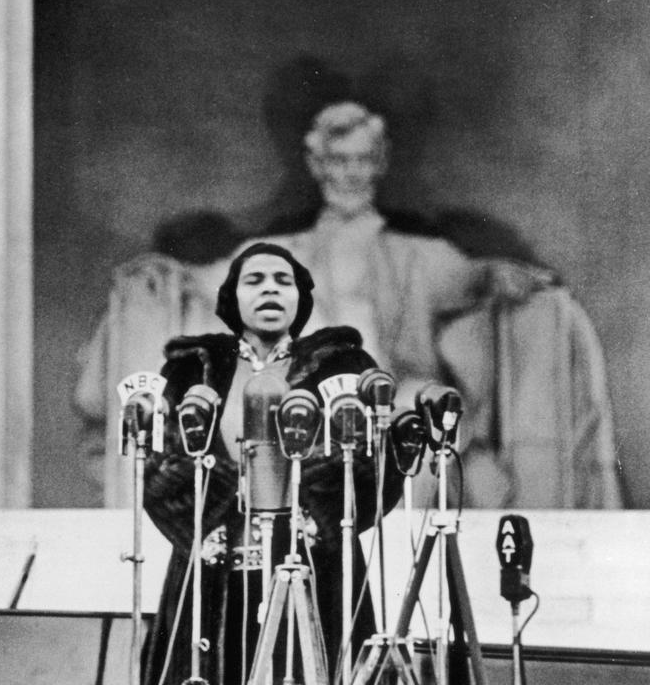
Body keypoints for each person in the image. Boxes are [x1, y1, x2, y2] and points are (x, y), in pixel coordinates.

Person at [75, 100, 621, 509]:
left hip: (389, 398)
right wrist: (168, 275)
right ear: (318, 165)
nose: (350, 173)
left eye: (362, 160)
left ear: (378, 164)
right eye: (338, 160)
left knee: (422, 423)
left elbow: (472, 279)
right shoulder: (285, 252)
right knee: (272, 428)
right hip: (307, 402)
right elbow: (213, 281)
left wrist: (503, 274)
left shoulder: (414, 254)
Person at [138, 243, 405, 685]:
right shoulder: (193, 370)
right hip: (215, 577)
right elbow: (161, 465)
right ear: (232, 297)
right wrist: (215, 520)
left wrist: (307, 514)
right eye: (254, 280)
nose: (269, 290)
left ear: (300, 298)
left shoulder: (343, 367)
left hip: (314, 570)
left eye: (282, 281)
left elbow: (372, 467)